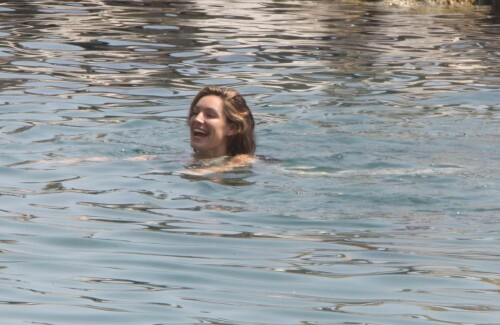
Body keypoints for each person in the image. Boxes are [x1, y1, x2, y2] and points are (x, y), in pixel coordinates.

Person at [188, 86, 255, 159]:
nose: (197, 119)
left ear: (232, 128)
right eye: (195, 113)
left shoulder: (244, 163)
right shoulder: (179, 159)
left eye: (210, 115)